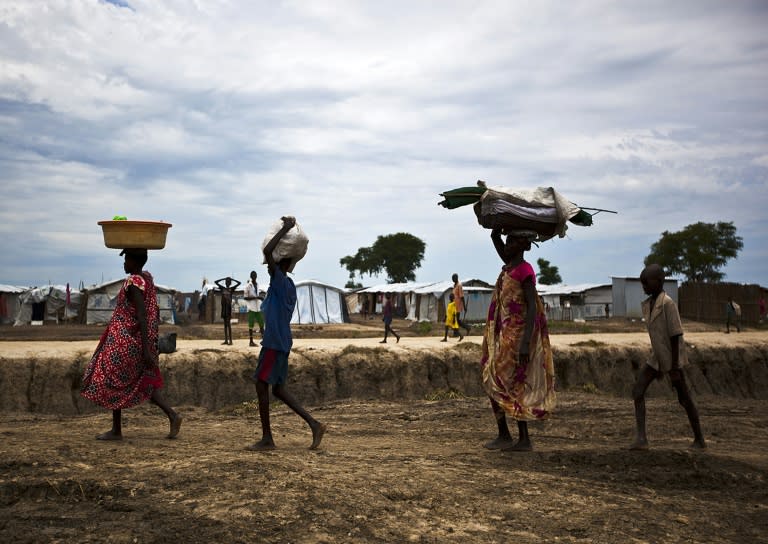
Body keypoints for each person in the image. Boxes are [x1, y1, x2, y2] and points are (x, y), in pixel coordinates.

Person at [81, 248, 182, 440]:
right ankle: (172, 415)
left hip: (126, 341)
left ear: (136, 262)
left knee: (112, 380)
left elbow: (142, 316)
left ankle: (117, 430)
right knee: (143, 381)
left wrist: (145, 350)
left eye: (127, 259)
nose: (124, 263)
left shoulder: (134, 282)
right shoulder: (147, 279)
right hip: (134, 340)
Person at [247, 216, 326, 451]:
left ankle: (268, 439)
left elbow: (269, 251)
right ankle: (314, 424)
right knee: (278, 389)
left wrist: (285, 228)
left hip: (273, 342)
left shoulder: (280, 281)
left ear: (281, 262)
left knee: (261, 385)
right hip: (281, 341)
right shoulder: (288, 285)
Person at [481, 228, 555, 452]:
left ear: (523, 245)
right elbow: (498, 245)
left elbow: (532, 306)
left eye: (512, 241)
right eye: (507, 240)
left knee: (516, 383)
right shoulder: (509, 266)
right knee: (492, 376)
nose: (507, 243)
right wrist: (495, 231)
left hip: (518, 336)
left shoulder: (525, 271)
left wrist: (524, 343)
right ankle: (503, 433)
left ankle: (523, 439)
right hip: (504, 334)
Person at [629, 263, 706, 450]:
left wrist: (673, 368)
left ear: (659, 281)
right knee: (638, 392)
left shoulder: (668, 304)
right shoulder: (649, 304)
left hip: (673, 357)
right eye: (642, 283)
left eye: (646, 283)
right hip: (657, 356)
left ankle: (700, 439)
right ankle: (641, 439)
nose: (644, 287)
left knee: (684, 398)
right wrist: (660, 365)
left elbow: (675, 336)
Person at [215, 276, 241, 345]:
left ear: (230, 283)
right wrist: (223, 278)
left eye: (229, 282)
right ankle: (226, 340)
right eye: (226, 281)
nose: (227, 283)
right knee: (225, 325)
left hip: (228, 308)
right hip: (224, 308)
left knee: (228, 324)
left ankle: (231, 341)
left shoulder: (231, 289)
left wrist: (232, 279)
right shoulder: (222, 288)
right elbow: (216, 282)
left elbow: (239, 283)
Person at [244, 270, 264, 346]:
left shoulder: (258, 284)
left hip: (258, 307)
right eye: (253, 276)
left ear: (256, 276)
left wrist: (259, 298)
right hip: (251, 307)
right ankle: (251, 341)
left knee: (261, 324)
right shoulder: (248, 286)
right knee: (251, 325)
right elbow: (245, 297)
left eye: (255, 275)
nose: (254, 277)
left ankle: (264, 340)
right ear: (251, 277)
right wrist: (256, 297)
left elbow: (257, 295)